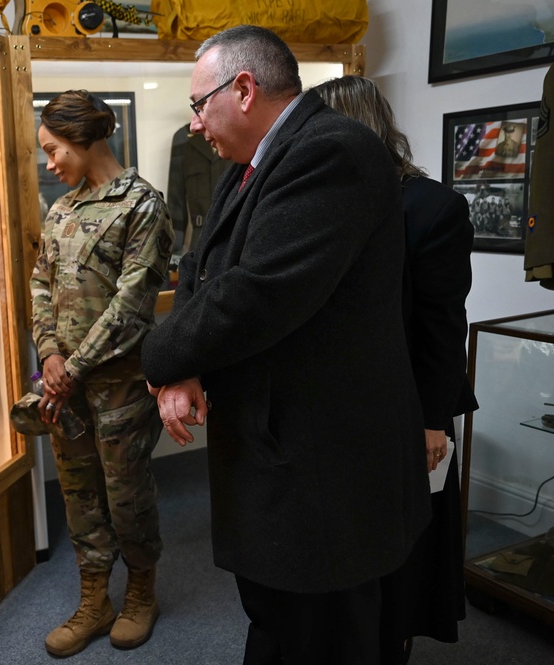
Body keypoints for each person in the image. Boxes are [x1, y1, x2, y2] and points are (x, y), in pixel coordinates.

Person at [140, 26, 431, 665]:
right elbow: (198, 268)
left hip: (326, 471)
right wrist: (185, 367)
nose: (194, 125)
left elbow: (254, 294)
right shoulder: (249, 166)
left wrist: (159, 359)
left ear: (243, 89)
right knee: (279, 622)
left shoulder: (334, 151)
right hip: (281, 457)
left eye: (198, 104)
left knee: (326, 635)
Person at [311, 75, 479, 665]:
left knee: (405, 554)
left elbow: (440, 327)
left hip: (412, 408)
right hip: (340, 410)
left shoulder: (431, 207)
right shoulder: (322, 206)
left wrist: (433, 421)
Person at [30, 90, 173, 657]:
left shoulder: (143, 204)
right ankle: (95, 599)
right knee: (79, 493)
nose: (50, 163)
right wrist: (48, 355)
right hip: (66, 387)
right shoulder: (60, 210)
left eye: (54, 150)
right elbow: (41, 283)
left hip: (119, 386)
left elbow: (135, 301)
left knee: (126, 493)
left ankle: (141, 593)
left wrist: (77, 366)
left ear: (84, 139)